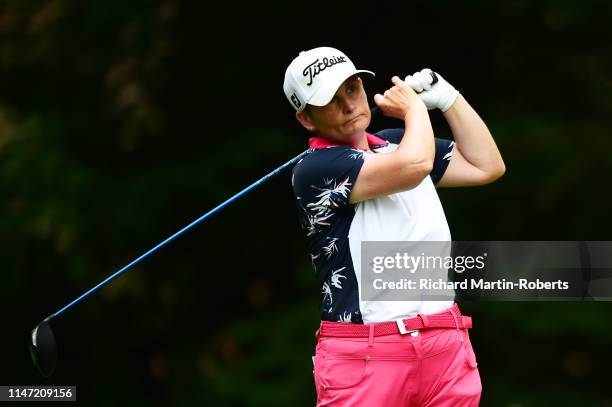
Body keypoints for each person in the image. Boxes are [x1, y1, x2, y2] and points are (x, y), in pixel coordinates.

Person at [283, 46, 505, 406]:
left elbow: (486, 165)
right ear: (306, 119)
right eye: (329, 100)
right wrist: (415, 108)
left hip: (444, 342)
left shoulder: (396, 143)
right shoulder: (315, 170)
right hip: (367, 355)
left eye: (351, 89)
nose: (348, 105)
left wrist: (449, 99)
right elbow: (414, 166)